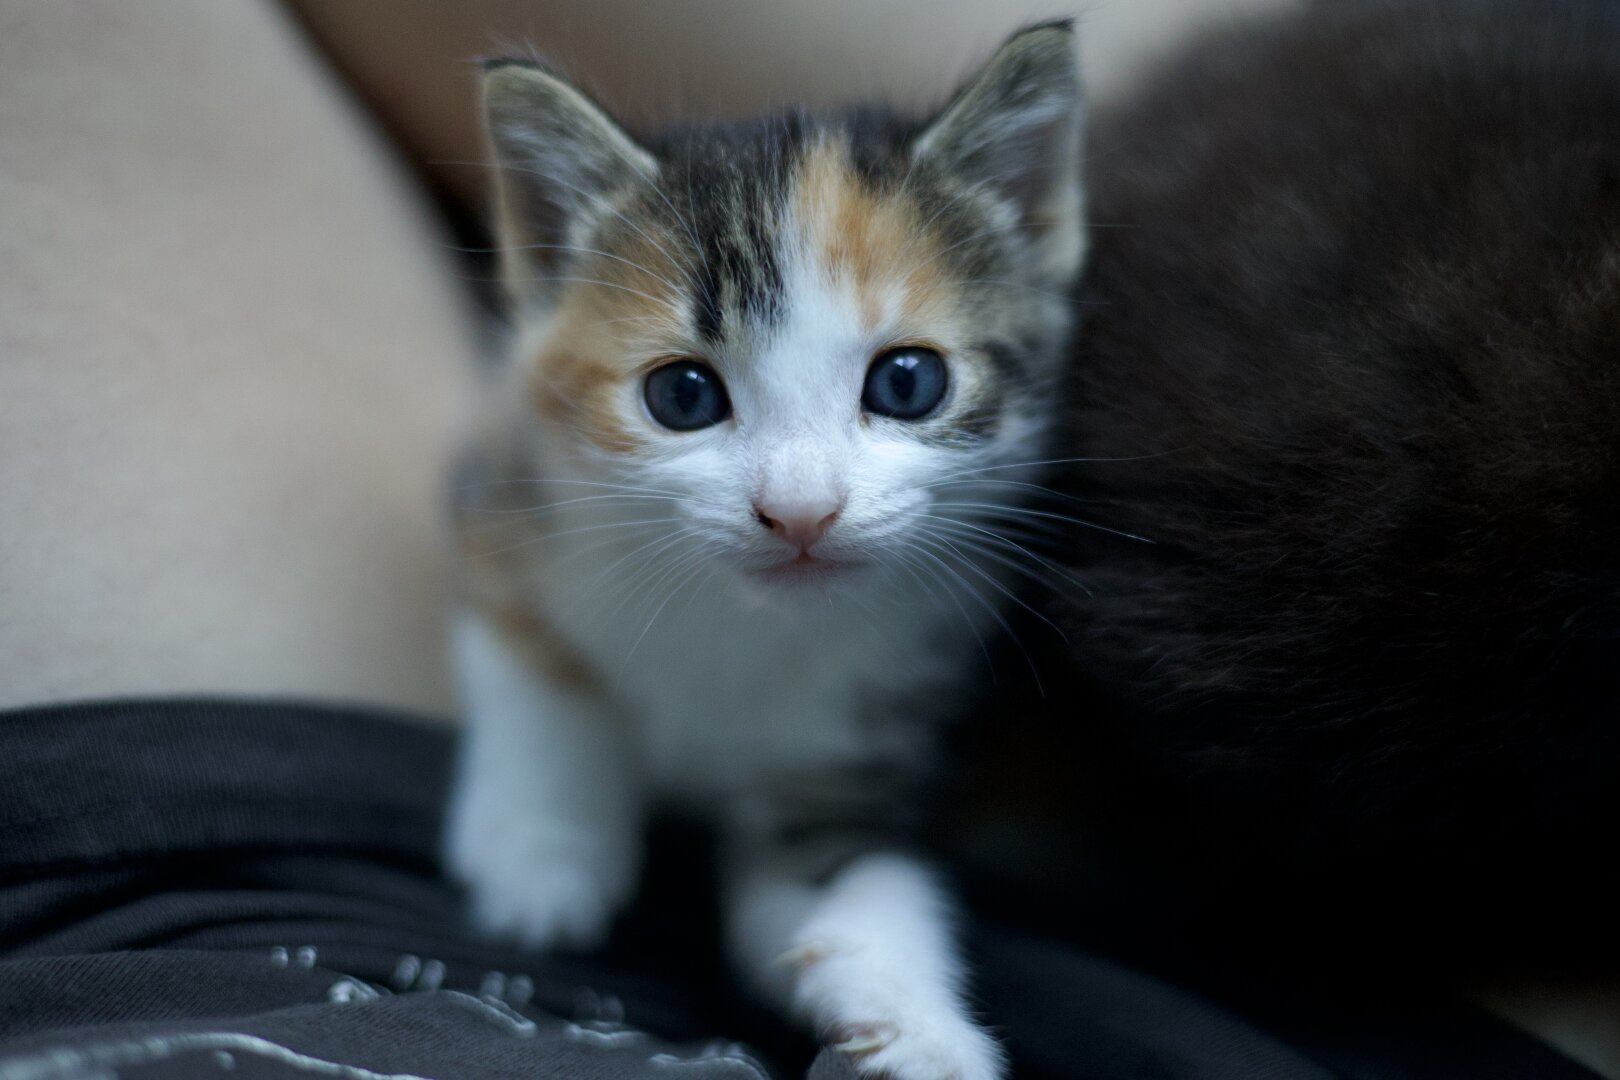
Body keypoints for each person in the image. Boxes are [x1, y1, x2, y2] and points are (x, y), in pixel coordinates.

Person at [1, 2, 1611, 1077]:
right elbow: (497, 536)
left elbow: (836, 827)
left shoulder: (956, 619)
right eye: (691, 395)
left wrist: (901, 1009)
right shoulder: (575, 496)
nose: (803, 494)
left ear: (1036, 244)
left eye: (901, 386)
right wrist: (546, 756)